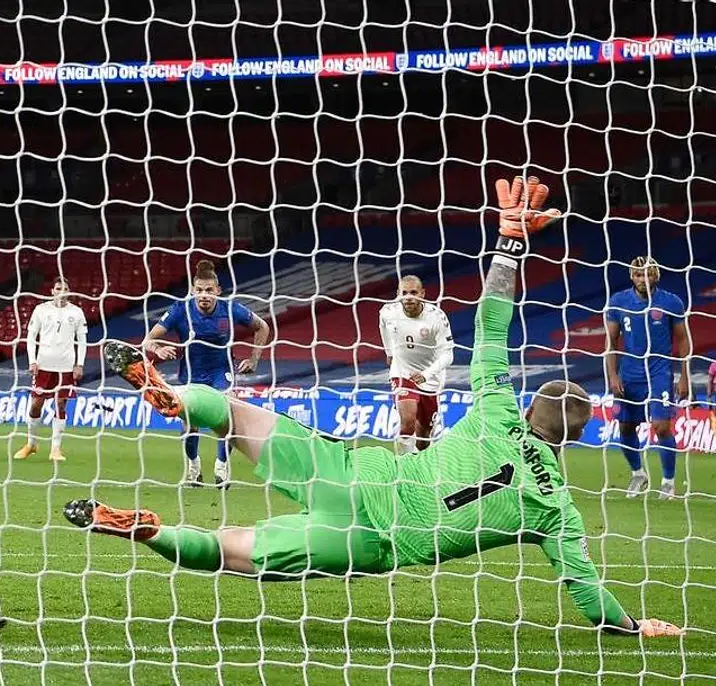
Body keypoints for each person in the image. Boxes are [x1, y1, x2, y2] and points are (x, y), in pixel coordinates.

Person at [72, 176, 681, 637]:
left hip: (356, 473)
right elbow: (584, 589)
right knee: (228, 551)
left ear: (528, 415)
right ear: (567, 443)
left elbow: (494, 326)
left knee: (231, 412)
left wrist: (509, 243)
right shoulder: (555, 507)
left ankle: (174, 396)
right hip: (367, 540)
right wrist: (630, 625)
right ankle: (150, 532)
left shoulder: (498, 406)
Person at [142, 259, 270, 487]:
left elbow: (263, 327)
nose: (204, 295)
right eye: (199, 290)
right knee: (190, 426)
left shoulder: (230, 308)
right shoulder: (180, 310)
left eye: (209, 290)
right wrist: (159, 349)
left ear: (217, 291)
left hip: (221, 372)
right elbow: (148, 341)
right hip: (190, 376)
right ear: (193, 290)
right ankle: (193, 467)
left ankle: (222, 468)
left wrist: (254, 359)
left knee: (228, 418)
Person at [604, 256, 692, 500]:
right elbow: (611, 342)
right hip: (629, 373)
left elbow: (683, 340)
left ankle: (668, 482)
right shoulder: (619, 301)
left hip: (659, 370)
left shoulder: (671, 302)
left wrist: (684, 376)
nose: (643, 279)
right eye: (638, 274)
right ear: (632, 276)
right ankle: (638, 473)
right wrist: (612, 375)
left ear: (657, 276)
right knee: (625, 426)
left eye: (648, 274)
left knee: (661, 426)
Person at [379, 276, 455, 453]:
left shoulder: (436, 318)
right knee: (407, 422)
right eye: (404, 293)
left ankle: (422, 464)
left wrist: (426, 374)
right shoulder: (388, 312)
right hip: (402, 372)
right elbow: (383, 324)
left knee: (423, 440)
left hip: (430, 379)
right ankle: (404, 469)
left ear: (422, 294)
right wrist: (389, 352)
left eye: (413, 292)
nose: (408, 297)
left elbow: (448, 354)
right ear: (398, 294)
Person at [15, 276, 87, 461]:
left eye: (64, 289)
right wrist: (32, 361)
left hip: (66, 367)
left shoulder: (77, 312)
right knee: (35, 405)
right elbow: (31, 337)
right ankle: (31, 444)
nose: (61, 292)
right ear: (52, 291)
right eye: (58, 288)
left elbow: (82, 341)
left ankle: (56, 449)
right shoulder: (41, 310)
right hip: (44, 365)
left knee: (61, 404)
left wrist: (79, 364)